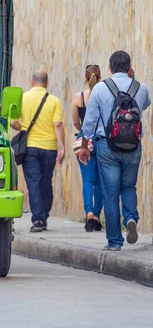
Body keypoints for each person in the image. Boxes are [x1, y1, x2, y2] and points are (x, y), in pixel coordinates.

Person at [78, 51, 151, 251]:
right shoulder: (141, 88)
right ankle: (130, 218)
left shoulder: (100, 89)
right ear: (129, 67)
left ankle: (114, 241)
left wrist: (84, 147)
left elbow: (89, 123)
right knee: (128, 187)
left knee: (110, 193)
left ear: (110, 68)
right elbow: (144, 105)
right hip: (133, 146)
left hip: (106, 147)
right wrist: (133, 81)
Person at [11, 70, 65, 232]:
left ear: (32, 82)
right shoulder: (54, 101)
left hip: (30, 148)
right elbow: (57, 125)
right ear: (46, 83)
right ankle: (44, 215)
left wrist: (23, 128)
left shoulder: (23, 98)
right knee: (46, 182)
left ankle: (38, 220)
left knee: (33, 183)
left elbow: (13, 123)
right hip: (49, 148)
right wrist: (61, 146)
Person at [72, 65, 104, 232]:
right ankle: (98, 215)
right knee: (100, 181)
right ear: (100, 77)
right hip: (101, 140)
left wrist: (82, 130)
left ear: (85, 78)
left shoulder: (79, 97)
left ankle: (89, 212)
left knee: (88, 180)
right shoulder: (104, 95)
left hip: (84, 139)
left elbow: (75, 121)